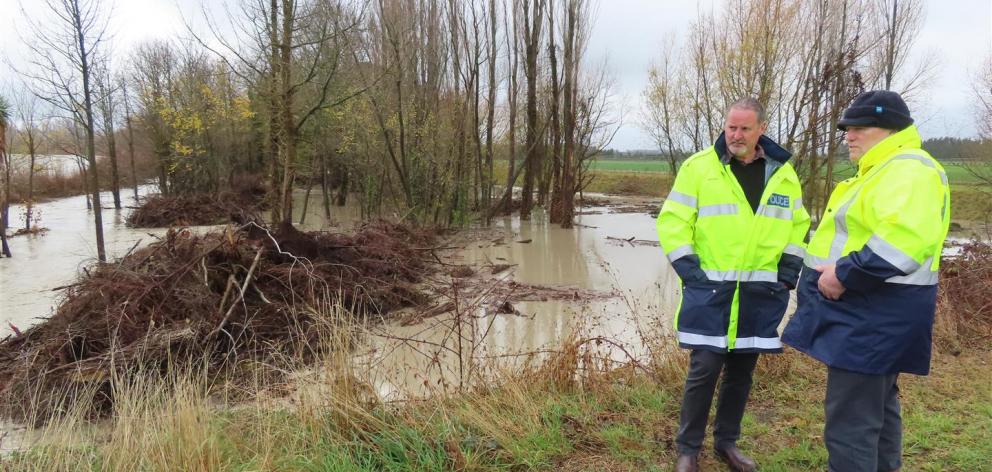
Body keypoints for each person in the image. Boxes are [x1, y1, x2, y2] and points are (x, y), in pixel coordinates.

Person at [782, 90, 951, 472]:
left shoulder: (907, 169)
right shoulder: (883, 170)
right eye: (846, 128)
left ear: (891, 130)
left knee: (850, 423)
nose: (848, 136)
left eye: (859, 127)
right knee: (878, 407)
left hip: (872, 313)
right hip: (875, 313)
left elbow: (904, 238)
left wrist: (844, 274)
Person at [657, 98, 810, 472]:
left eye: (744, 128)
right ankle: (688, 450)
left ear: (761, 129)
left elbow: (797, 227)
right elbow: (672, 222)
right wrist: (692, 274)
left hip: (760, 295)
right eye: (731, 127)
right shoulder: (700, 168)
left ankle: (727, 444)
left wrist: (788, 275)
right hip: (711, 293)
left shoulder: (783, 175)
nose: (736, 135)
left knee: (741, 374)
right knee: (704, 369)